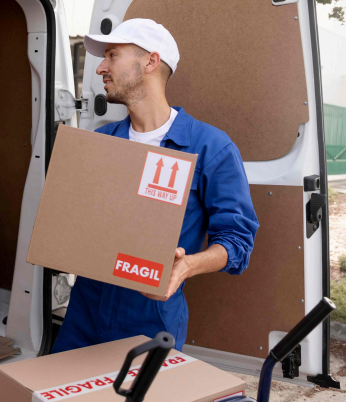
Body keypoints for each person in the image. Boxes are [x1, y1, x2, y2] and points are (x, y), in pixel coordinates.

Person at [52, 18, 259, 353]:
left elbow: (237, 241)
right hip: (83, 314)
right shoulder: (101, 141)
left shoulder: (210, 147)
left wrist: (187, 266)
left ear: (150, 61)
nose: (101, 68)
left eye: (112, 55)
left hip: (151, 320)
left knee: (138, 392)